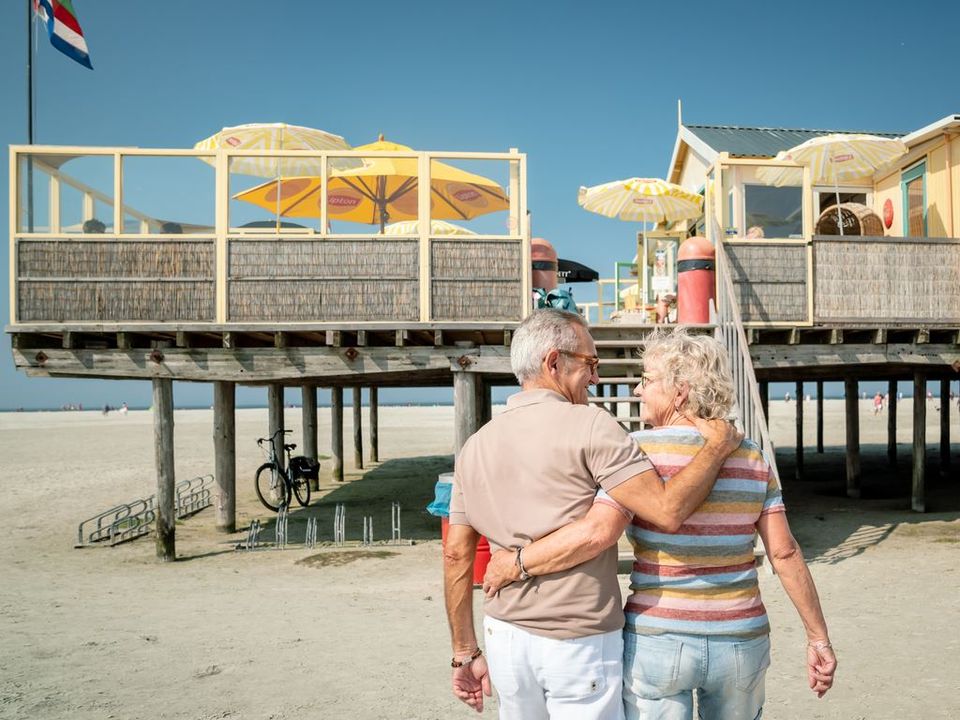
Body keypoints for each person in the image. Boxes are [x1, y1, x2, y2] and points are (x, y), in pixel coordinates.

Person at [484, 328, 837, 719]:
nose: (637, 390)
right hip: (739, 636)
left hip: (659, 635)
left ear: (679, 391)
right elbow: (784, 553)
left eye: (647, 380)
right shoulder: (751, 456)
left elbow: (597, 532)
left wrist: (516, 563)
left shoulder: (636, 453)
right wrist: (817, 637)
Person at [444, 310, 742, 718]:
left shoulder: (474, 447)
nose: (596, 377)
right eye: (590, 364)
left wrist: (464, 652)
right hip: (578, 639)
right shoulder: (592, 425)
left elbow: (456, 555)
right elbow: (665, 510)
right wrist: (716, 446)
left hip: (504, 637)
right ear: (553, 362)